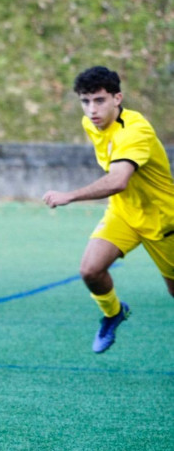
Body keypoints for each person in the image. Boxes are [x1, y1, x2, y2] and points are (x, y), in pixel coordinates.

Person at [42, 66, 174, 353]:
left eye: (99, 100)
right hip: (124, 213)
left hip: (163, 220)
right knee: (90, 270)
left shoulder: (135, 131)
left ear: (118, 98)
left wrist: (70, 195)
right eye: (85, 101)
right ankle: (114, 313)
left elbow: (118, 180)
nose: (92, 110)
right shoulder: (91, 123)